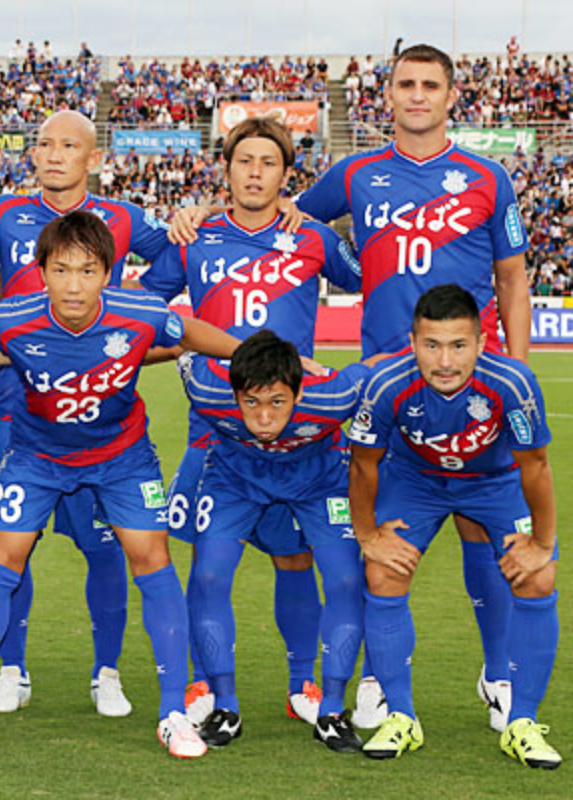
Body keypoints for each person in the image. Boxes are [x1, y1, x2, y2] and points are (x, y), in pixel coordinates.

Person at [168, 44, 531, 731]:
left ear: (451, 96)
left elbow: (513, 278)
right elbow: (275, 212)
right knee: (382, 531)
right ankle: (375, 679)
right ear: (387, 95)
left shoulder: (489, 177)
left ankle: (499, 673)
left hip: (471, 378)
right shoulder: (355, 174)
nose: (417, 95)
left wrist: (516, 368)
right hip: (384, 383)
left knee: (481, 529)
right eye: (406, 84)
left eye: (430, 85)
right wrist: (200, 213)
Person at [0, 211, 241, 759]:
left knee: (152, 558)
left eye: (87, 270)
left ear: (108, 272)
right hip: (36, 456)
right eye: (61, 270)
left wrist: (250, 352)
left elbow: (187, 331)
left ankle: (173, 713)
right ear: (41, 271)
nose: (74, 285)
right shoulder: (14, 317)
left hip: (121, 457)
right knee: (1, 558)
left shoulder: (140, 312)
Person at [143, 117, 362, 727]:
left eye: (269, 162)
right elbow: (145, 310)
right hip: (216, 432)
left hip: (300, 435)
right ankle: (208, 686)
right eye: (245, 161)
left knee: (295, 560)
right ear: (227, 169)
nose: (256, 172)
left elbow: (376, 275)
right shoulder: (194, 236)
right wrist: (196, 216)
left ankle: (302, 683)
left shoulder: (311, 237)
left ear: (286, 174)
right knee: (208, 564)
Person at [0, 109, 176, 717]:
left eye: (69, 145)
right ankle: (11, 669)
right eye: (44, 143)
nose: (55, 154)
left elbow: (178, 252)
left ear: (94, 158)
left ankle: (106, 671)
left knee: (104, 545)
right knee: (10, 546)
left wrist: (131, 310)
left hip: (98, 411)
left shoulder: (123, 218)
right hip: (17, 408)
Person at [348, 284, 559, 769]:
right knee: (382, 570)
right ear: (412, 342)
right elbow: (363, 464)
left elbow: (536, 467)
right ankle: (400, 716)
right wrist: (367, 535)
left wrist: (542, 542)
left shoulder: (512, 383)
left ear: (481, 343)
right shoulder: (386, 384)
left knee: (538, 576)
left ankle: (523, 722)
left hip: (493, 481)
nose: (445, 361)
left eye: (459, 345)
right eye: (432, 345)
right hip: (416, 481)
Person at [178, 331, 378, 753]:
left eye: (277, 402)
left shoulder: (335, 394)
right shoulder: (205, 387)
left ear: (299, 392)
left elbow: (381, 368)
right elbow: (180, 340)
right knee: (209, 574)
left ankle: (332, 711)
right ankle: (225, 706)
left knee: (345, 579)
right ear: (234, 393)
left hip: (319, 482)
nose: (265, 418)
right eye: (251, 402)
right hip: (234, 479)